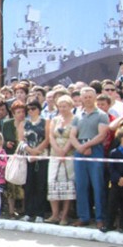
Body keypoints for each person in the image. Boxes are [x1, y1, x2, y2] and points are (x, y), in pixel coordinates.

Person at [69, 87, 109, 228]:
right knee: (81, 185)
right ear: (81, 98)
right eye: (85, 97)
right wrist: (79, 147)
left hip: (95, 150)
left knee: (98, 185)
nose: (87, 99)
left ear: (95, 97)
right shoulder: (77, 116)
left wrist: (86, 146)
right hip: (80, 150)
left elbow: (102, 135)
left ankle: (100, 218)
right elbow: (72, 135)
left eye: (90, 96)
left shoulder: (102, 115)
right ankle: (83, 216)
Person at [46, 95, 75, 225]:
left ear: (70, 106)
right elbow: (51, 136)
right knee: (52, 182)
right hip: (54, 154)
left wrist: (64, 151)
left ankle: (64, 216)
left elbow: (72, 136)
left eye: (65, 106)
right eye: (60, 106)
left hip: (68, 155)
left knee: (67, 184)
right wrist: (58, 150)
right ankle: (54, 214)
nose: (62, 109)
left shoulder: (75, 120)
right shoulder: (55, 119)